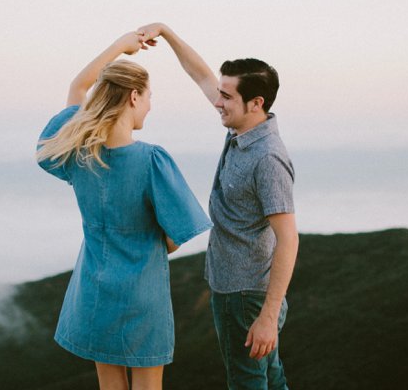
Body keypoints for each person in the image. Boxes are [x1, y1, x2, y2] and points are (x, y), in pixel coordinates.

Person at [35, 31, 212, 390]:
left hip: (93, 288)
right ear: (134, 96)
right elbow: (176, 238)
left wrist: (119, 46)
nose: (150, 105)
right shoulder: (151, 160)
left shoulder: (78, 152)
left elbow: (77, 88)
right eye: (148, 97)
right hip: (141, 295)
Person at [136, 23, 298, 390]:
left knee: (246, 383)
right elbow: (201, 75)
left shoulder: (267, 158)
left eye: (226, 96)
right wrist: (166, 32)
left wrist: (268, 317)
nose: (216, 101)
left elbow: (288, 239)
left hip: (246, 297)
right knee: (270, 378)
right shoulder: (242, 129)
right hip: (241, 291)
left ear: (256, 103)